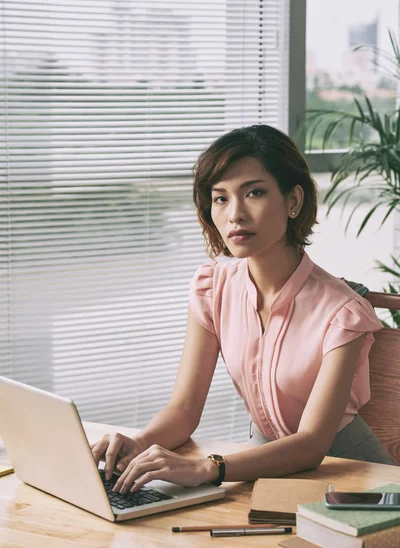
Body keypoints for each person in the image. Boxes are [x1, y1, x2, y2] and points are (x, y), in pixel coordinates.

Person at [91, 124, 391, 495]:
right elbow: (184, 409)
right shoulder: (212, 288)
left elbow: (313, 444)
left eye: (255, 193)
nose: (235, 214)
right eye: (220, 198)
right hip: (261, 467)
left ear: (294, 202)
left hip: (353, 475)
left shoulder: (342, 311)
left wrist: (206, 468)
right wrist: (140, 443)